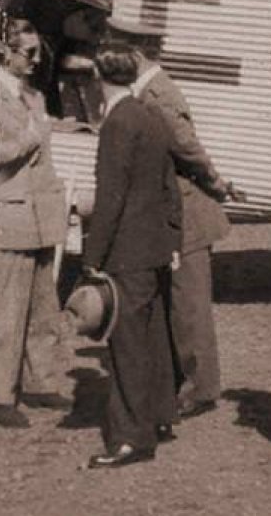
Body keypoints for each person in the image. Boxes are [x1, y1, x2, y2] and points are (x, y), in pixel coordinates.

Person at [105, 18, 244, 421]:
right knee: (177, 300)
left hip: (187, 210)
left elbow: (187, 147)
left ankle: (201, 388)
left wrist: (217, 182)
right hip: (173, 208)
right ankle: (186, 379)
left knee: (188, 304)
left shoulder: (156, 93)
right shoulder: (150, 89)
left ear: (135, 52)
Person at [0, 17, 70, 429]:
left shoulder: (36, 97)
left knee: (44, 306)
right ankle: (0, 394)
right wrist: (33, 134)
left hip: (41, 212)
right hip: (12, 212)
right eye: (28, 53)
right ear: (4, 51)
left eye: (38, 53)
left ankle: (40, 381)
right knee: (7, 309)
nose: (35, 60)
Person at [81, 45, 181, 469]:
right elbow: (168, 187)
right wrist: (172, 241)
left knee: (127, 345)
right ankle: (159, 416)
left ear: (97, 80)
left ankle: (129, 438)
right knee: (154, 338)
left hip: (126, 251)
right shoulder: (149, 115)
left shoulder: (117, 123)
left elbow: (111, 196)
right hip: (154, 247)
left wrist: (92, 255)